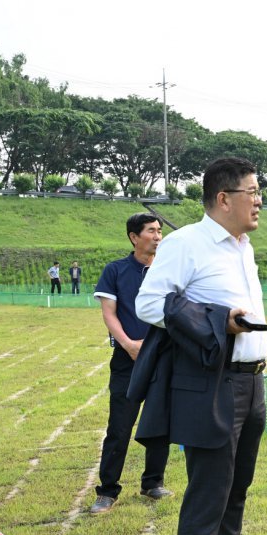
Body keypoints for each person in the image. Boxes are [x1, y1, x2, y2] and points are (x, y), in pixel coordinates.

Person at [136, 156, 267, 535]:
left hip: (252, 381)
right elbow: (149, 304)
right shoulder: (185, 244)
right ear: (223, 198)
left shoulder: (243, 247)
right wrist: (217, 319)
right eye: (252, 192)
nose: (259, 201)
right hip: (212, 385)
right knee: (208, 493)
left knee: (237, 483)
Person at [88, 213, 173, 514]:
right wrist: (128, 344)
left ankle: (153, 482)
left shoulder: (168, 270)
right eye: (151, 231)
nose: (158, 236)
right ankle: (107, 490)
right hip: (128, 357)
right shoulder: (116, 270)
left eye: (160, 231)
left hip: (163, 357)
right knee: (120, 425)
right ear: (134, 237)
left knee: (160, 421)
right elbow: (109, 313)